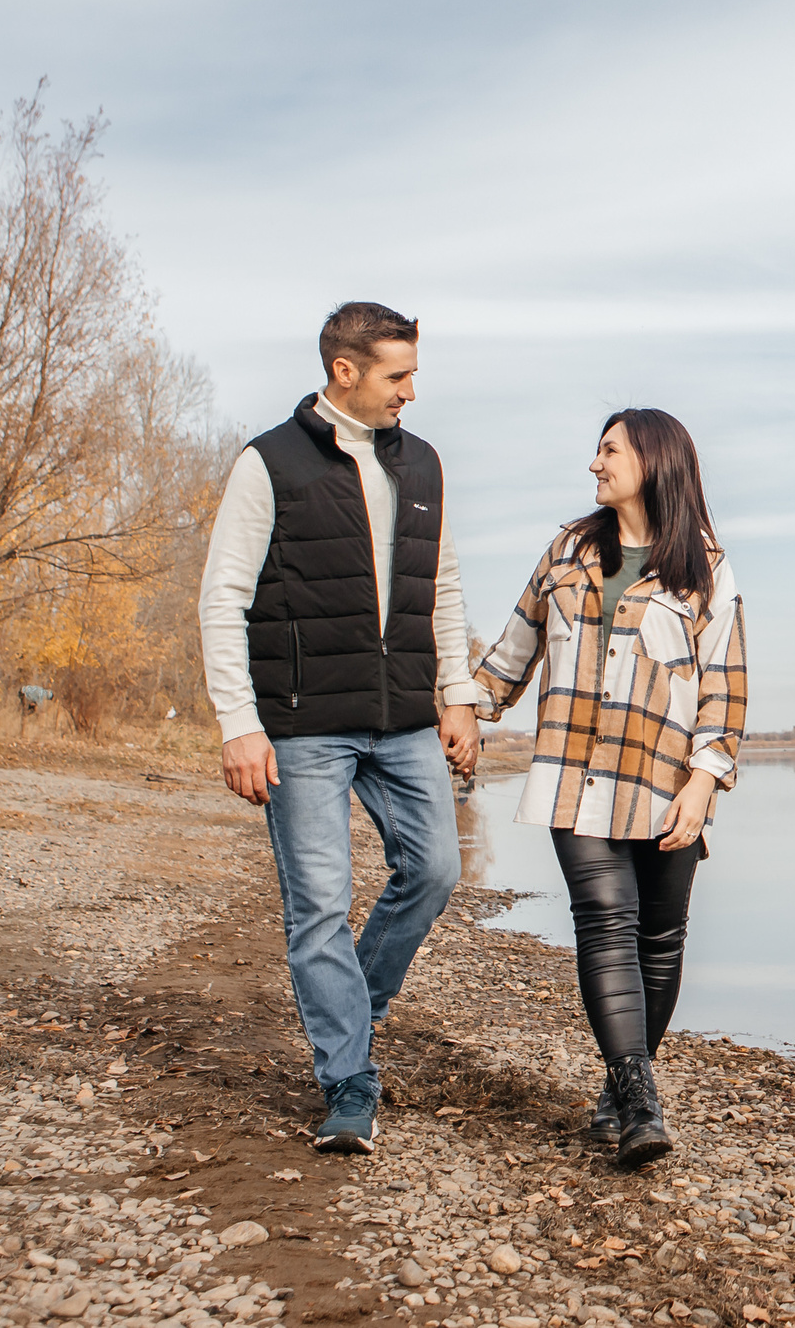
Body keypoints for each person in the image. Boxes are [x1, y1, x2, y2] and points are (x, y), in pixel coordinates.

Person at [197, 301, 482, 1155]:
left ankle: (352, 1003)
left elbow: (444, 586)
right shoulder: (268, 463)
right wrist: (237, 723)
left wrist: (456, 694)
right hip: (301, 724)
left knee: (432, 869)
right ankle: (349, 1080)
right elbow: (223, 598)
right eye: (398, 376)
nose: (411, 392)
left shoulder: (422, 464)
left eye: (413, 374)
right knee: (317, 907)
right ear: (345, 370)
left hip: (402, 719)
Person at [474, 408, 747, 1168]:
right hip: (576, 776)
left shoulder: (705, 567)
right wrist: (460, 715)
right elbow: (512, 650)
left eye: (609, 450)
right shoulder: (567, 549)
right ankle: (639, 1098)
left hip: (667, 783)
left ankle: (619, 1093)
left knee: (660, 941)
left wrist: (703, 782)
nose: (595, 464)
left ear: (654, 461)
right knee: (603, 919)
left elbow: (725, 686)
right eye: (597, 450)